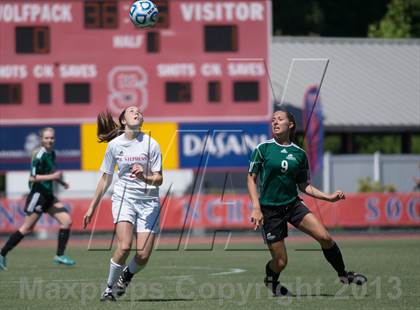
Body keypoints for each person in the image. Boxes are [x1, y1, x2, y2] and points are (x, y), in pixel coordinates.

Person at [247, 110, 367, 296]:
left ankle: (344, 275)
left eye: (280, 119)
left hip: (293, 205)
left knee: (325, 238)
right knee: (280, 262)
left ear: (291, 124)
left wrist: (328, 197)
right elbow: (251, 179)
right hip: (270, 210)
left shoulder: (300, 154)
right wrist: (256, 208)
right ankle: (271, 281)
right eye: (273, 120)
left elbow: (304, 186)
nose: (275, 122)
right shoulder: (263, 149)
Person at [83, 106, 163, 302]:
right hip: (124, 199)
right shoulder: (115, 145)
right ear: (124, 121)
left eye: (139, 112)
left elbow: (159, 179)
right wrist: (92, 206)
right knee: (125, 246)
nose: (137, 113)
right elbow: (105, 178)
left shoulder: (152, 144)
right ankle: (109, 289)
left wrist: (144, 177)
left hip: (149, 201)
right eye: (131, 111)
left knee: (143, 255)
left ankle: (126, 276)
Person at [0, 127, 75, 270]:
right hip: (38, 195)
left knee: (66, 221)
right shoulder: (38, 155)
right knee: (26, 229)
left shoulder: (52, 153)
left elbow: (50, 172)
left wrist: (61, 182)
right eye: (46, 138)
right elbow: (32, 178)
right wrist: (53, 177)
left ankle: (60, 255)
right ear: (41, 139)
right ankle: (2, 254)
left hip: (48, 195)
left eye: (52, 138)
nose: (50, 140)